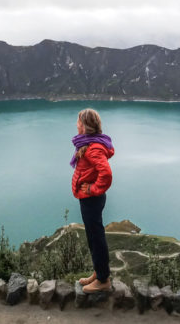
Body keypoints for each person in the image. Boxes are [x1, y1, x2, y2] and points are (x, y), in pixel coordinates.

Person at [70, 108, 115, 293]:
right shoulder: (88, 144)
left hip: (92, 199)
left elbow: (107, 174)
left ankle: (103, 280)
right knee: (92, 236)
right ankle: (98, 272)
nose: (76, 124)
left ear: (85, 126)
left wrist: (92, 189)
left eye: (79, 121)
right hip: (90, 199)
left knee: (96, 238)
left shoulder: (93, 148)